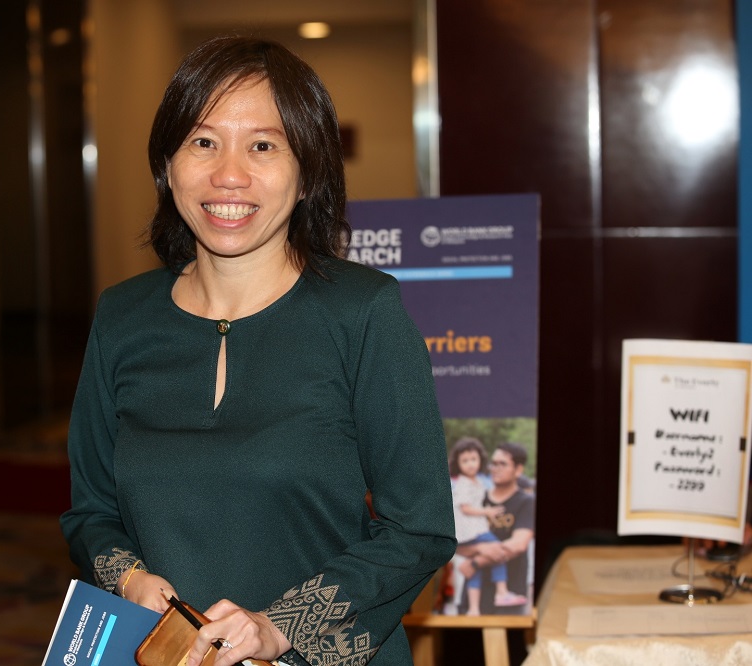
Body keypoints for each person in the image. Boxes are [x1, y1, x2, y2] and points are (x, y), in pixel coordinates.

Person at [59, 35, 456, 666]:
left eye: (263, 146)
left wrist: (278, 627)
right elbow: (91, 511)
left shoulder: (363, 314)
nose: (229, 175)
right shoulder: (122, 317)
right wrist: (128, 578)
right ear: (167, 164)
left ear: (307, 172)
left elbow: (419, 529)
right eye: (203, 142)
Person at [447, 437, 527, 615]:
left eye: (473, 459)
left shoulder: (479, 482)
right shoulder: (464, 484)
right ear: (457, 463)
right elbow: (465, 509)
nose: (470, 464)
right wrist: (487, 512)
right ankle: (501, 591)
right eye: (465, 461)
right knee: (497, 548)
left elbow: (519, 545)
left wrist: (474, 562)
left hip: (473, 531)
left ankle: (474, 608)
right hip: (472, 530)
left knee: (476, 570)